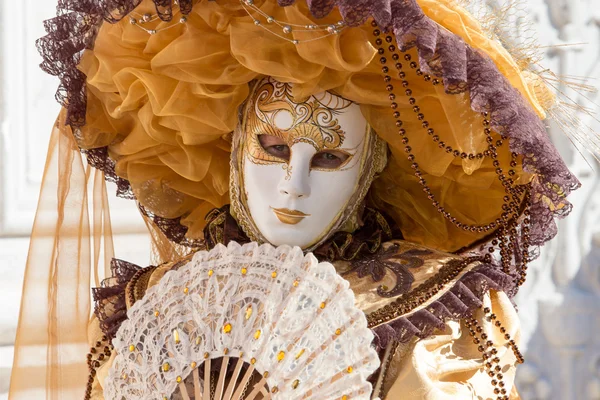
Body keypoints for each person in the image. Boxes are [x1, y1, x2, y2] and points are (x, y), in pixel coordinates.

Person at [9, 0, 581, 399]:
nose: (294, 184)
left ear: (371, 167)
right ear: (233, 147)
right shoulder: (149, 306)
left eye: (329, 157)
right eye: (273, 148)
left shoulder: (428, 312)